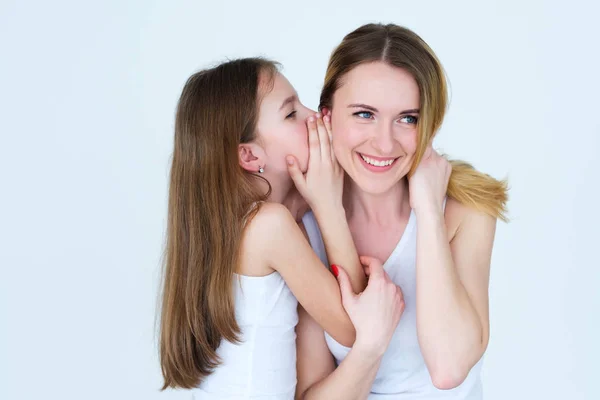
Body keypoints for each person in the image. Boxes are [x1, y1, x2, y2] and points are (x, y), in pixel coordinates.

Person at [295, 23, 509, 400]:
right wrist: (328, 210)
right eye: (364, 114)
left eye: (407, 119)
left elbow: (448, 368)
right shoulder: (303, 226)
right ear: (326, 116)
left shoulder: (468, 210)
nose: (384, 142)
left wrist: (427, 210)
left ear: (429, 124)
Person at [158, 57, 387, 399]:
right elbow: (353, 328)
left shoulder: (253, 224)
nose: (316, 115)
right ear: (249, 156)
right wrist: (328, 206)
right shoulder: (268, 226)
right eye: (291, 113)